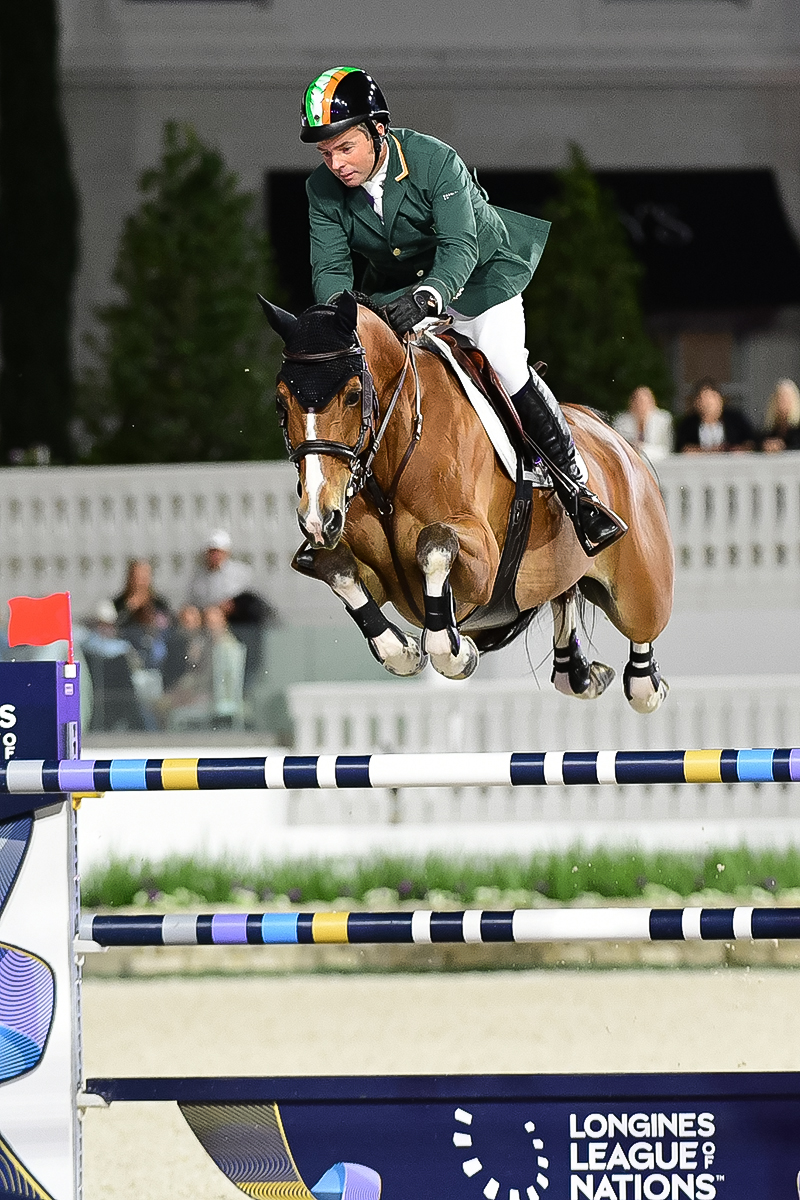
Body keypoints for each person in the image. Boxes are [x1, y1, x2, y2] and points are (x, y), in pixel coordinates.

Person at [299, 67, 624, 555]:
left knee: (503, 362)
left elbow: (459, 246)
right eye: (326, 153)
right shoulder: (321, 190)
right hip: (394, 294)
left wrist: (430, 296)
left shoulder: (433, 160)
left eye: (345, 148)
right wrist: (339, 323)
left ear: (378, 131)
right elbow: (330, 270)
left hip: (478, 278)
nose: (336, 164)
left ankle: (577, 489)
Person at [186, 530, 272, 688]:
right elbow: (193, 604)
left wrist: (225, 608)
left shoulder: (240, 573)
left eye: (218, 552)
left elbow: (248, 603)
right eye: (212, 552)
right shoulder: (198, 577)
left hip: (234, 625)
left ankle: (217, 654)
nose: (215, 556)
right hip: (206, 624)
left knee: (212, 616)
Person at [674, 378, 756, 454]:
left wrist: (734, 450)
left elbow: (750, 443)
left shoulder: (736, 420)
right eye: (702, 399)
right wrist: (707, 451)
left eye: (711, 397)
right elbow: (683, 448)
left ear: (720, 399)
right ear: (696, 403)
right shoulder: (688, 425)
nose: (707, 403)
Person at [613, 386, 673, 462]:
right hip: (629, 460)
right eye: (637, 401)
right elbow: (618, 445)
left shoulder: (663, 419)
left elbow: (667, 448)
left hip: (659, 460)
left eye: (644, 402)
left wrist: (643, 448)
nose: (640, 405)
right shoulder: (621, 420)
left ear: (652, 403)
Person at [761, 378, 800, 452]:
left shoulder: (797, 427)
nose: (783, 401)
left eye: (787, 397)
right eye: (779, 397)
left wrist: (782, 447)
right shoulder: (772, 428)